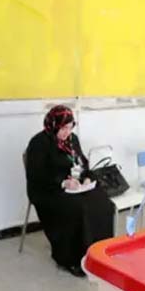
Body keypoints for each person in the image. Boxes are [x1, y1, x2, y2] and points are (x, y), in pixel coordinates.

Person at [25, 105, 115, 277]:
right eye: (63, 128)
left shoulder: (72, 139)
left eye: (70, 127)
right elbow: (37, 176)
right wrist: (62, 183)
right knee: (77, 209)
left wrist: (87, 177)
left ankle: (100, 252)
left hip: (75, 185)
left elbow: (82, 163)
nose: (67, 132)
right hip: (47, 190)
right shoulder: (39, 143)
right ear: (53, 125)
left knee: (103, 202)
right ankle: (72, 259)